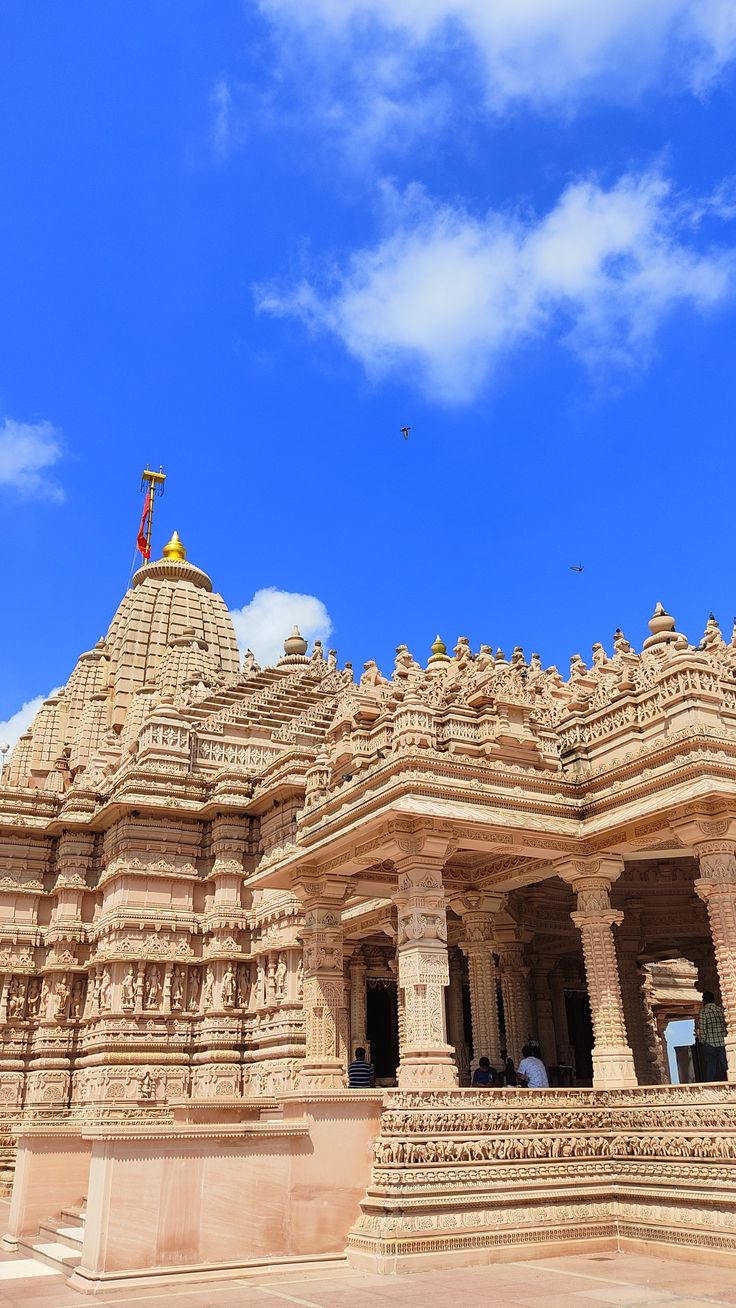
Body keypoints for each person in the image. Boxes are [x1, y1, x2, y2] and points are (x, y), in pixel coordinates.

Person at [697, 990, 727, 1081]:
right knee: (727, 1064)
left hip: (710, 1043)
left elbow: (703, 1029)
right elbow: (726, 1025)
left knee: (711, 1066)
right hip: (723, 1042)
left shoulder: (704, 1012)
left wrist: (702, 1041)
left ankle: (710, 1086)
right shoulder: (720, 1010)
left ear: (704, 1001)